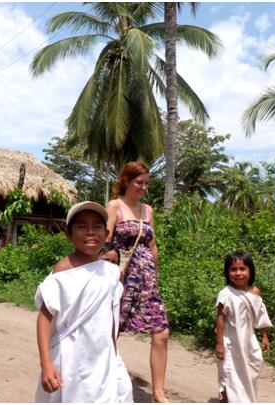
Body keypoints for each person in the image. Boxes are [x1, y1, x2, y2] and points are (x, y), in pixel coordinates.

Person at [35, 201, 133, 403]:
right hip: (69, 358)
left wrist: (113, 356)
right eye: (81, 226)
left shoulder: (112, 272)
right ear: (68, 234)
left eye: (96, 226)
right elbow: (44, 318)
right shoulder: (63, 271)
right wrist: (46, 363)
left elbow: (111, 318)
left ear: (106, 234)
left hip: (102, 358)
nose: (90, 232)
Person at [106, 161, 170, 403]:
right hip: (122, 280)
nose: (144, 187)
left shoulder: (148, 210)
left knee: (161, 333)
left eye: (147, 183)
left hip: (147, 282)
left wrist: (156, 276)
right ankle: (103, 380)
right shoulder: (115, 206)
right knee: (112, 332)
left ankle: (158, 393)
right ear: (126, 181)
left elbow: (152, 247)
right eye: (139, 182)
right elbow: (106, 241)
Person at [216, 251, 272, 403]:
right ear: (227, 272)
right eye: (233, 269)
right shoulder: (226, 293)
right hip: (231, 344)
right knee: (229, 375)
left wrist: (264, 336)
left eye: (242, 269)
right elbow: (220, 319)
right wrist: (220, 344)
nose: (238, 273)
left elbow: (260, 315)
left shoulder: (255, 292)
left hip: (248, 342)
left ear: (250, 271)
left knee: (249, 374)